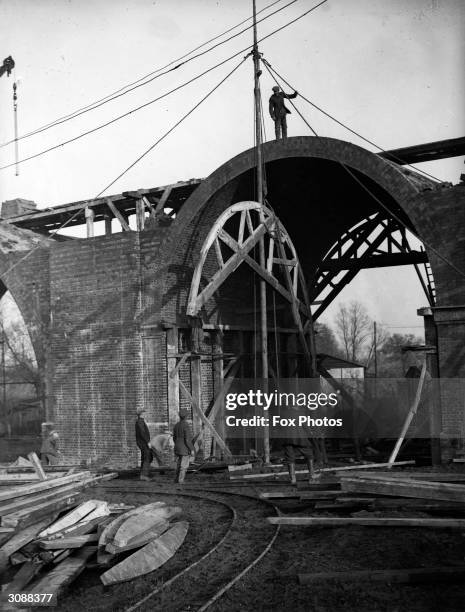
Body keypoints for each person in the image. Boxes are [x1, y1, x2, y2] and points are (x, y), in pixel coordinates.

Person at [173, 409, 194, 484]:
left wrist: (177, 444)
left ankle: (176, 479)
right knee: (184, 465)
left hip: (177, 447)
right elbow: (187, 439)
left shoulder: (176, 425)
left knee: (178, 464)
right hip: (184, 448)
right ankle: (181, 480)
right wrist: (191, 449)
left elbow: (174, 438)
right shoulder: (186, 425)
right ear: (186, 417)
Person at [135, 408, 153, 481]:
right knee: (147, 457)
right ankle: (144, 475)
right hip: (143, 443)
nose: (145, 414)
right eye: (144, 413)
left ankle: (143, 474)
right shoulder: (140, 422)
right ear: (141, 414)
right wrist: (147, 442)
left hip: (142, 442)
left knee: (145, 457)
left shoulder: (140, 421)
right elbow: (142, 433)